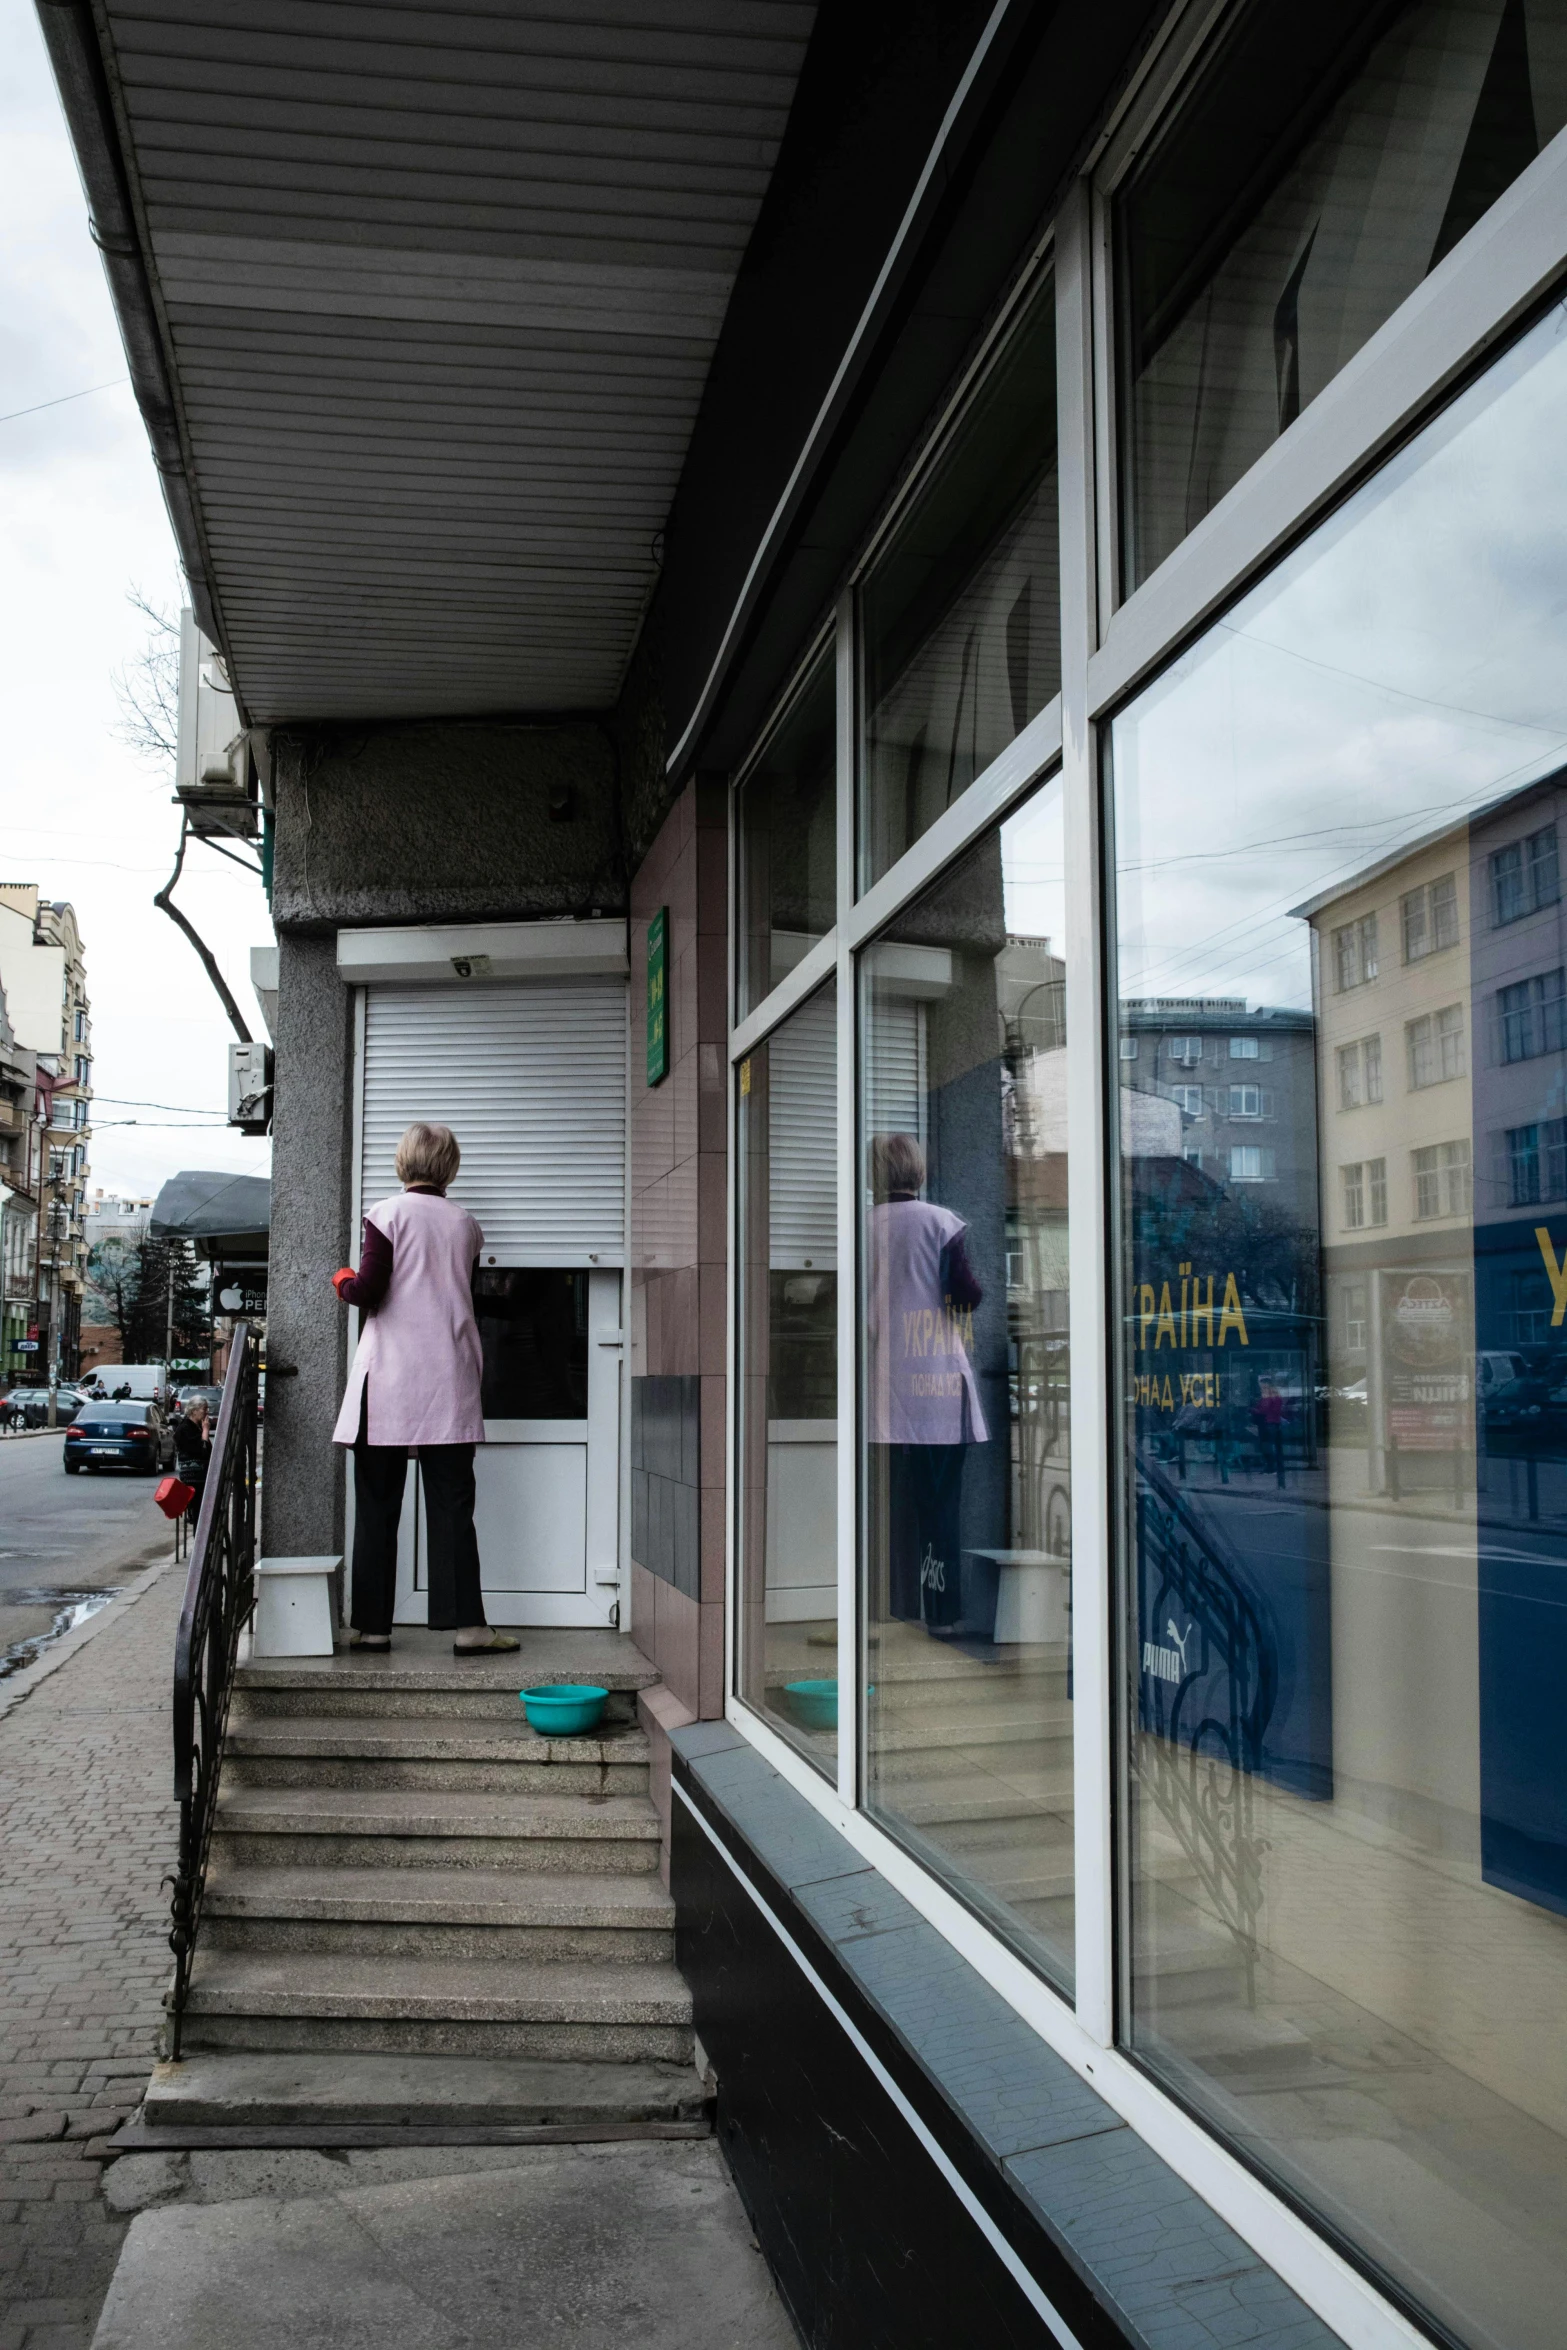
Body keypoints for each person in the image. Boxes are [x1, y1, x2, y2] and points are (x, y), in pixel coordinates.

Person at [331, 1121, 518, 1655]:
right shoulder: (466, 1225)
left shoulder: (384, 1214)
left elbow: (368, 1289)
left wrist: (342, 1277)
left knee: (377, 1506)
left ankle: (373, 1628)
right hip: (449, 1378)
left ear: (403, 1161)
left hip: (387, 1380)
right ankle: (470, 1628)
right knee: (453, 1507)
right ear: (450, 1166)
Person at [865, 1132, 986, 1632]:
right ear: (919, 1171)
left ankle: (891, 1610)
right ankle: (940, 1612)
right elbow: (967, 1296)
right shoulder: (941, 1223)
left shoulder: (862, 1228)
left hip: (885, 1390)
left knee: (893, 1512)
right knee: (940, 1505)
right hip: (938, 1385)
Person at [174, 1396, 210, 1523]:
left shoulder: (195, 1427)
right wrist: (205, 1431)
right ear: (194, 1410)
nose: (206, 1412)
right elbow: (203, 1451)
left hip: (199, 1477)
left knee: (200, 1513)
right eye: (204, 1409)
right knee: (198, 1513)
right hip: (193, 1478)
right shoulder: (185, 1429)